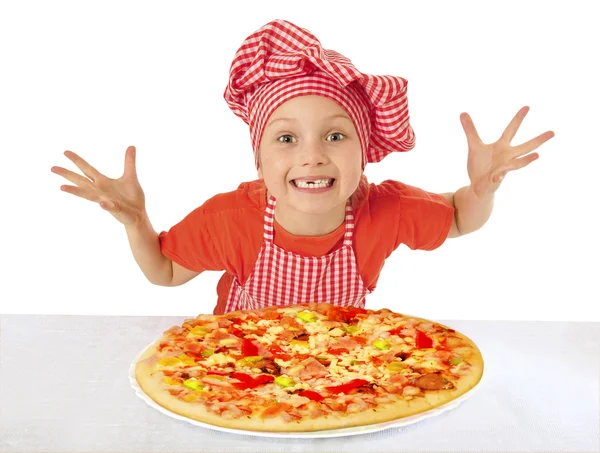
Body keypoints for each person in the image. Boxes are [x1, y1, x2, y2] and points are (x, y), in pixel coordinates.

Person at [50, 19, 554, 315]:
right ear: (259, 157)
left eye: (336, 136)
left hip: (343, 370)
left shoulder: (389, 209)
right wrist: (138, 222)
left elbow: (461, 217)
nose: (312, 155)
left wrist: (482, 188)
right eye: (286, 138)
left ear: (365, 150)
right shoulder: (230, 220)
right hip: (237, 370)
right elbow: (163, 273)